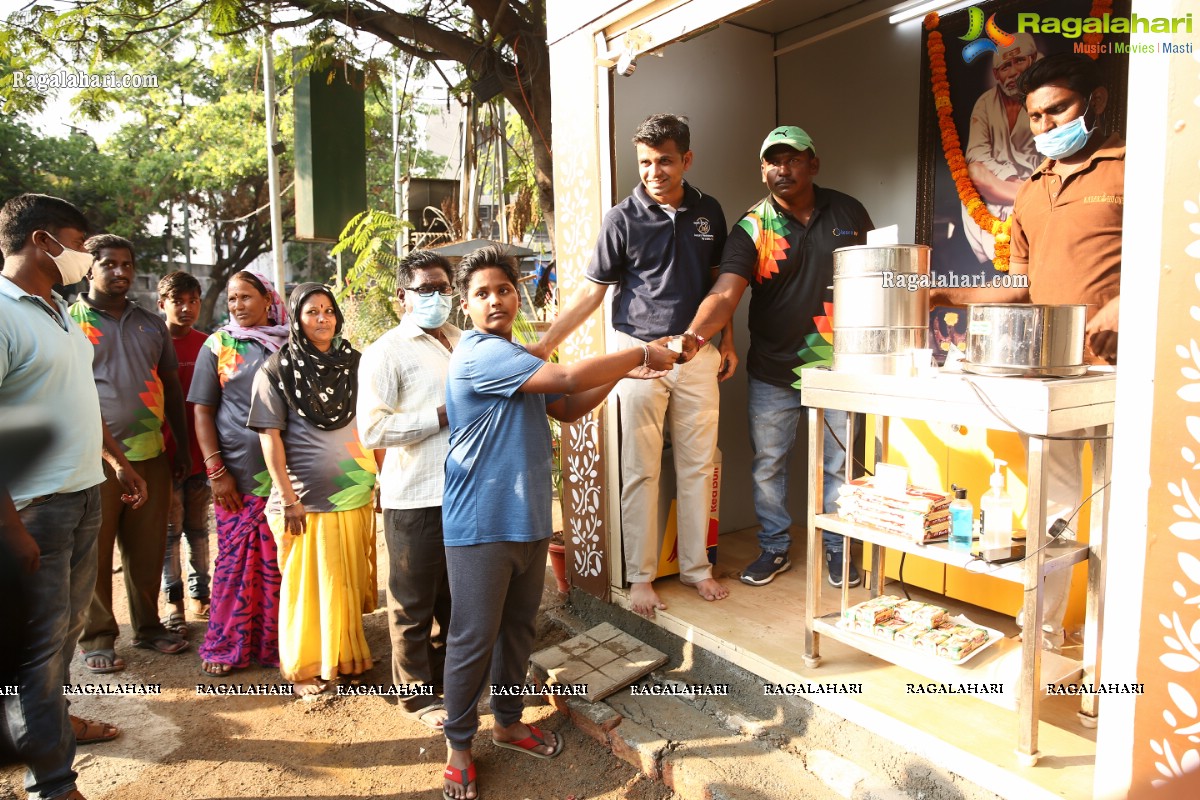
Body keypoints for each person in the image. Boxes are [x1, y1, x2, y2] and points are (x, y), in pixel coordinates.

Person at [440, 246, 678, 800]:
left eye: (503, 288)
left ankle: (505, 721)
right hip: (480, 525)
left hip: (525, 522)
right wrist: (637, 350)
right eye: (482, 293)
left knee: (517, 632)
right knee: (473, 638)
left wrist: (628, 372)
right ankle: (457, 747)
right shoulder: (479, 354)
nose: (495, 299)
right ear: (466, 305)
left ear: (516, 294)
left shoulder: (514, 356)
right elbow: (568, 374)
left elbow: (567, 404)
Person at [932, 53, 1122, 648]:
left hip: (1126, 374)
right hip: (1054, 377)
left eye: (1057, 110)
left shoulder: (1138, 170)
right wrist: (943, 290)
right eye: (1036, 117)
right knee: (1055, 510)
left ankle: (1110, 648)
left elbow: (1177, 255)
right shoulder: (1033, 193)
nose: (1044, 127)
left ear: (1097, 101)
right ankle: (1042, 633)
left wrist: (1125, 303)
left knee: (1121, 517)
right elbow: (1020, 284)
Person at [528, 113, 733, 618]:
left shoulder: (710, 211)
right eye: (645, 162)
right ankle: (641, 578)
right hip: (639, 357)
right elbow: (591, 294)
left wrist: (726, 345)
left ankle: (696, 568)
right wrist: (545, 344)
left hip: (698, 354)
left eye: (664, 161)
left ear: (686, 159)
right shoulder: (622, 218)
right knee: (639, 469)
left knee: (699, 464)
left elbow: (721, 286)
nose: (654, 171)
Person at [680, 125, 873, 588]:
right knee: (769, 464)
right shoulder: (753, 226)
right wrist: (691, 336)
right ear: (762, 168)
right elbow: (726, 293)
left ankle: (838, 548)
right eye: (772, 161)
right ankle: (774, 548)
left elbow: (877, 277)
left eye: (792, 159)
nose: (781, 169)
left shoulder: (848, 211)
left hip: (840, 367)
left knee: (839, 465)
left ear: (813, 163)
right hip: (773, 370)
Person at [0, 193, 147, 800]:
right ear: (42, 241)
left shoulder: (55, 307)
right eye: (78, 244)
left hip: (85, 493)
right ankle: (52, 784)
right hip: (35, 508)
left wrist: (115, 459)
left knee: (60, 640)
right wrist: (10, 529)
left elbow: (76, 394)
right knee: (35, 651)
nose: (86, 257)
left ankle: (53, 729)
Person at [250, 283, 378, 696]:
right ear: (296, 319)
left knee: (342, 583)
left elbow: (374, 426)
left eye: (328, 310)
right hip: (304, 500)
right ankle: (306, 667)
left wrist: (381, 479)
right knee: (309, 588)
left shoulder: (356, 364)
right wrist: (288, 498)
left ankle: (345, 657)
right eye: (312, 312)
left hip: (355, 491)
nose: (323, 318)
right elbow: (269, 438)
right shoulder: (276, 369)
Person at [71, 234, 191, 669]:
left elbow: (172, 385)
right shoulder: (69, 321)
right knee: (95, 552)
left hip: (150, 452)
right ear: (90, 269)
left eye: (127, 264)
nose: (120, 272)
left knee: (146, 548)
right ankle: (98, 636)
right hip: (93, 459)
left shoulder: (149, 322)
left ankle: (149, 627)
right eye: (109, 264)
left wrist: (178, 446)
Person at [357, 250, 459, 728]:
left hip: (464, 494)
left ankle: (448, 680)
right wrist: (438, 416)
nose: (437, 297)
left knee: (455, 598)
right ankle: (417, 697)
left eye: (443, 288)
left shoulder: (464, 340)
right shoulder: (386, 351)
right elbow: (372, 431)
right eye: (425, 290)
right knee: (413, 602)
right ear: (403, 297)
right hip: (414, 497)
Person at [189, 270, 289, 676]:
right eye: (232, 299)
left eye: (246, 297)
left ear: (268, 300)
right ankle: (228, 642)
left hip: (287, 479)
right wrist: (216, 471)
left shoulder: (292, 344)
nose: (237, 306)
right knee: (234, 566)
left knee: (281, 565)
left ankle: (277, 645)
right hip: (238, 478)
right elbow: (202, 411)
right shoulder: (218, 345)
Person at [157, 270, 213, 635]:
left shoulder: (208, 345)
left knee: (199, 530)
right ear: (161, 304)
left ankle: (201, 596)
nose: (187, 308)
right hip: (162, 457)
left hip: (200, 458)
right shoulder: (151, 344)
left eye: (193, 300)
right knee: (169, 533)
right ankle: (173, 603)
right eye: (178, 301)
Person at [961, 33, 1041, 265]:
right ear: (996, 74)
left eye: (1019, 61)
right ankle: (1028, 199)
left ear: (1033, 59)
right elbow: (976, 154)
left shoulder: (1045, 97)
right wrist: (1011, 178)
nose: (1014, 72)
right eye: (1006, 66)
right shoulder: (985, 104)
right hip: (999, 186)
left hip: (1036, 183)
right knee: (975, 172)